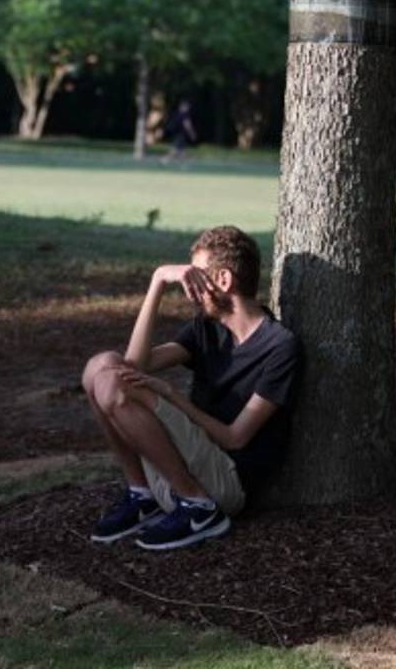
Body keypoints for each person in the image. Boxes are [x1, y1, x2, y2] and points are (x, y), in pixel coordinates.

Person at [80, 225, 298, 550]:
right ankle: (143, 495)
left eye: (195, 278)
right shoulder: (207, 329)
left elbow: (235, 437)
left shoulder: (279, 346)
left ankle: (199, 508)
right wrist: (158, 281)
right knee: (99, 366)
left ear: (223, 280)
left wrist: (171, 396)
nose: (189, 290)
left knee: (112, 381)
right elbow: (133, 366)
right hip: (186, 462)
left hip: (224, 481)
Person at [161, 99, 198, 164]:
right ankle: (164, 160)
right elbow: (187, 125)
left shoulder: (177, 114)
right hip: (180, 135)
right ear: (184, 107)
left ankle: (183, 164)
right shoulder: (184, 115)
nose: (188, 108)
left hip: (177, 134)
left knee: (182, 150)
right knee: (175, 150)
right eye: (187, 107)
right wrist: (192, 134)